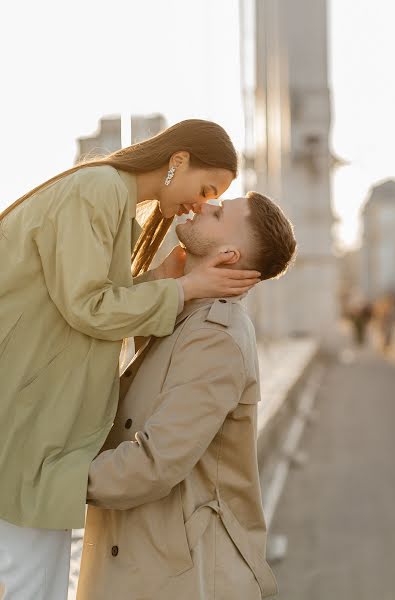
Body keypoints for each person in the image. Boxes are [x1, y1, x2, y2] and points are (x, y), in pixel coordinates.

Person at [0, 120, 262, 600]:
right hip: (23, 418)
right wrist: (183, 289)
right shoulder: (97, 190)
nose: (201, 205)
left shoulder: (113, 201)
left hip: (32, 419)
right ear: (177, 160)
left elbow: (81, 307)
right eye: (206, 189)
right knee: (30, 586)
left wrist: (160, 282)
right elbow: (88, 308)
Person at [76, 192, 297, 600]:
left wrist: (51, 478)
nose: (202, 205)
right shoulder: (186, 313)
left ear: (229, 253)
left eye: (217, 213)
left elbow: (154, 463)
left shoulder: (214, 337)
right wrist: (168, 279)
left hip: (178, 577)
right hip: (149, 561)